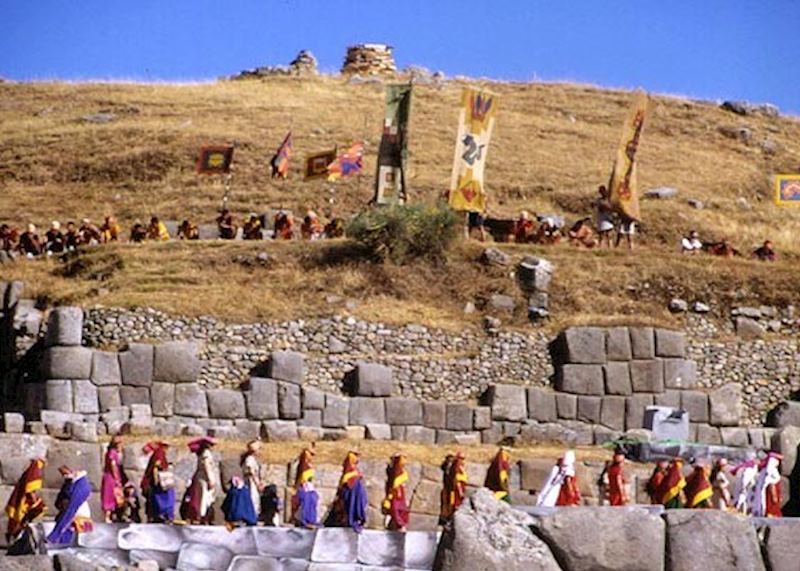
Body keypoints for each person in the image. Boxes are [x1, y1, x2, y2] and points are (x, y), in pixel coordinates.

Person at [47, 466, 93, 546]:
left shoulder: (81, 487)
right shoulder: (71, 483)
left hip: (77, 516)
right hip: (70, 513)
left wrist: (53, 536)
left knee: (68, 536)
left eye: (65, 474)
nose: (64, 476)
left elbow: (71, 510)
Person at [5, 458, 46, 543]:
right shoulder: (34, 470)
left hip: (23, 500)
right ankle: (16, 539)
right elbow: (30, 489)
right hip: (24, 502)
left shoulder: (31, 470)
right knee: (20, 520)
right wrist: (35, 502)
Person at [326, 451, 368, 532]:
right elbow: (346, 479)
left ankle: (357, 518)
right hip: (350, 491)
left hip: (356, 490)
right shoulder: (349, 467)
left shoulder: (355, 468)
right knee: (350, 505)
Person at [181, 436, 219, 524]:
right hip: (204, 477)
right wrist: (210, 479)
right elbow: (207, 466)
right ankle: (202, 515)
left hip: (200, 477)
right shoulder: (206, 453)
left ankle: (200, 515)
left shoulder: (201, 453)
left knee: (201, 496)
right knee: (204, 496)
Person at [140, 440, 174, 523]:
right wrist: (156, 481)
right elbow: (156, 466)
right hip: (156, 482)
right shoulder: (159, 453)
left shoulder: (159, 453)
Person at [290, 446, 317, 528]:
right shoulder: (303, 465)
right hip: (304, 486)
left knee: (312, 500)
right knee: (305, 502)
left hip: (309, 485)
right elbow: (301, 477)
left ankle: (311, 520)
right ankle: (304, 520)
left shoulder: (309, 465)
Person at [101, 436, 126, 522]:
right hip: (110, 477)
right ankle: (107, 516)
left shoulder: (111, 452)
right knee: (109, 495)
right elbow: (113, 465)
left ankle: (110, 515)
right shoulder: (113, 452)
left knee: (113, 496)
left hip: (110, 477)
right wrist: (116, 478)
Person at [382, 453, 410, 531]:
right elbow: (393, 482)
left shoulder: (399, 470)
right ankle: (397, 522)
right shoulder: (395, 470)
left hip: (399, 491)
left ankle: (400, 523)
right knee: (395, 507)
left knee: (401, 507)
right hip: (395, 492)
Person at [751, 452, 782, 518]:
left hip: (766, 492)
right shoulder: (772, 471)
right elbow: (772, 484)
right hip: (771, 493)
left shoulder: (764, 472)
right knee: (772, 507)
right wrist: (774, 496)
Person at [440, 452, 468, 523]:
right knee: (453, 505)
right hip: (454, 490)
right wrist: (460, 491)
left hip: (459, 489)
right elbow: (456, 481)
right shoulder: (456, 467)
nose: (463, 461)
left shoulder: (461, 468)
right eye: (461, 459)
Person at [241, 440, 263, 519]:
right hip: (251, 482)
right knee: (253, 498)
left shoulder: (252, 459)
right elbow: (252, 473)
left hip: (252, 481)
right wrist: (258, 484)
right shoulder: (250, 459)